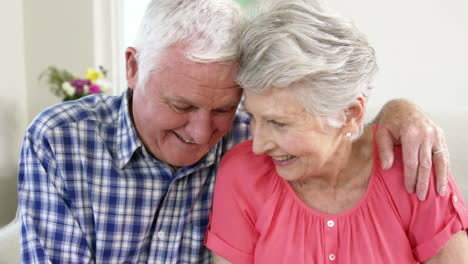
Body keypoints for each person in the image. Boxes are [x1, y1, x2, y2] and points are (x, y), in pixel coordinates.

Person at [18, 0, 450, 263]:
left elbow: (329, 126)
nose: (202, 130)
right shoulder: (61, 142)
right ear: (133, 68)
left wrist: (402, 111)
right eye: (180, 105)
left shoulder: (256, 140)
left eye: (225, 107)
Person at [205, 1, 468, 263]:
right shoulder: (242, 175)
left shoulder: (413, 166)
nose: (258, 145)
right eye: (252, 116)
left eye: (279, 123)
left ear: (349, 114)